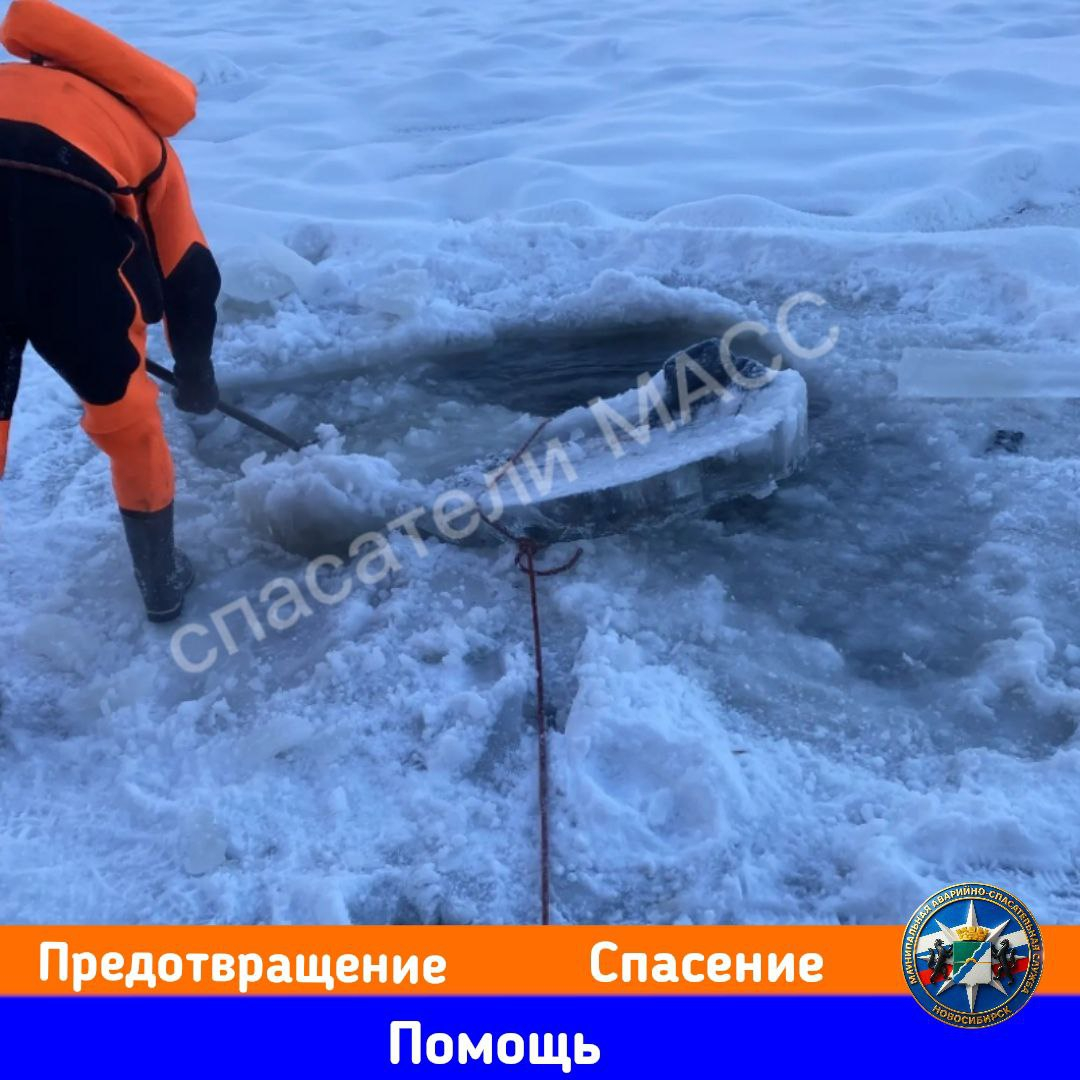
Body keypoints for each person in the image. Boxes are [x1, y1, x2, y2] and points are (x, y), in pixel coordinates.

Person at [0, 0, 220, 622]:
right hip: (74, 271)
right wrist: (195, 371)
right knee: (129, 423)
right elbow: (188, 271)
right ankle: (161, 584)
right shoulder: (145, 140)